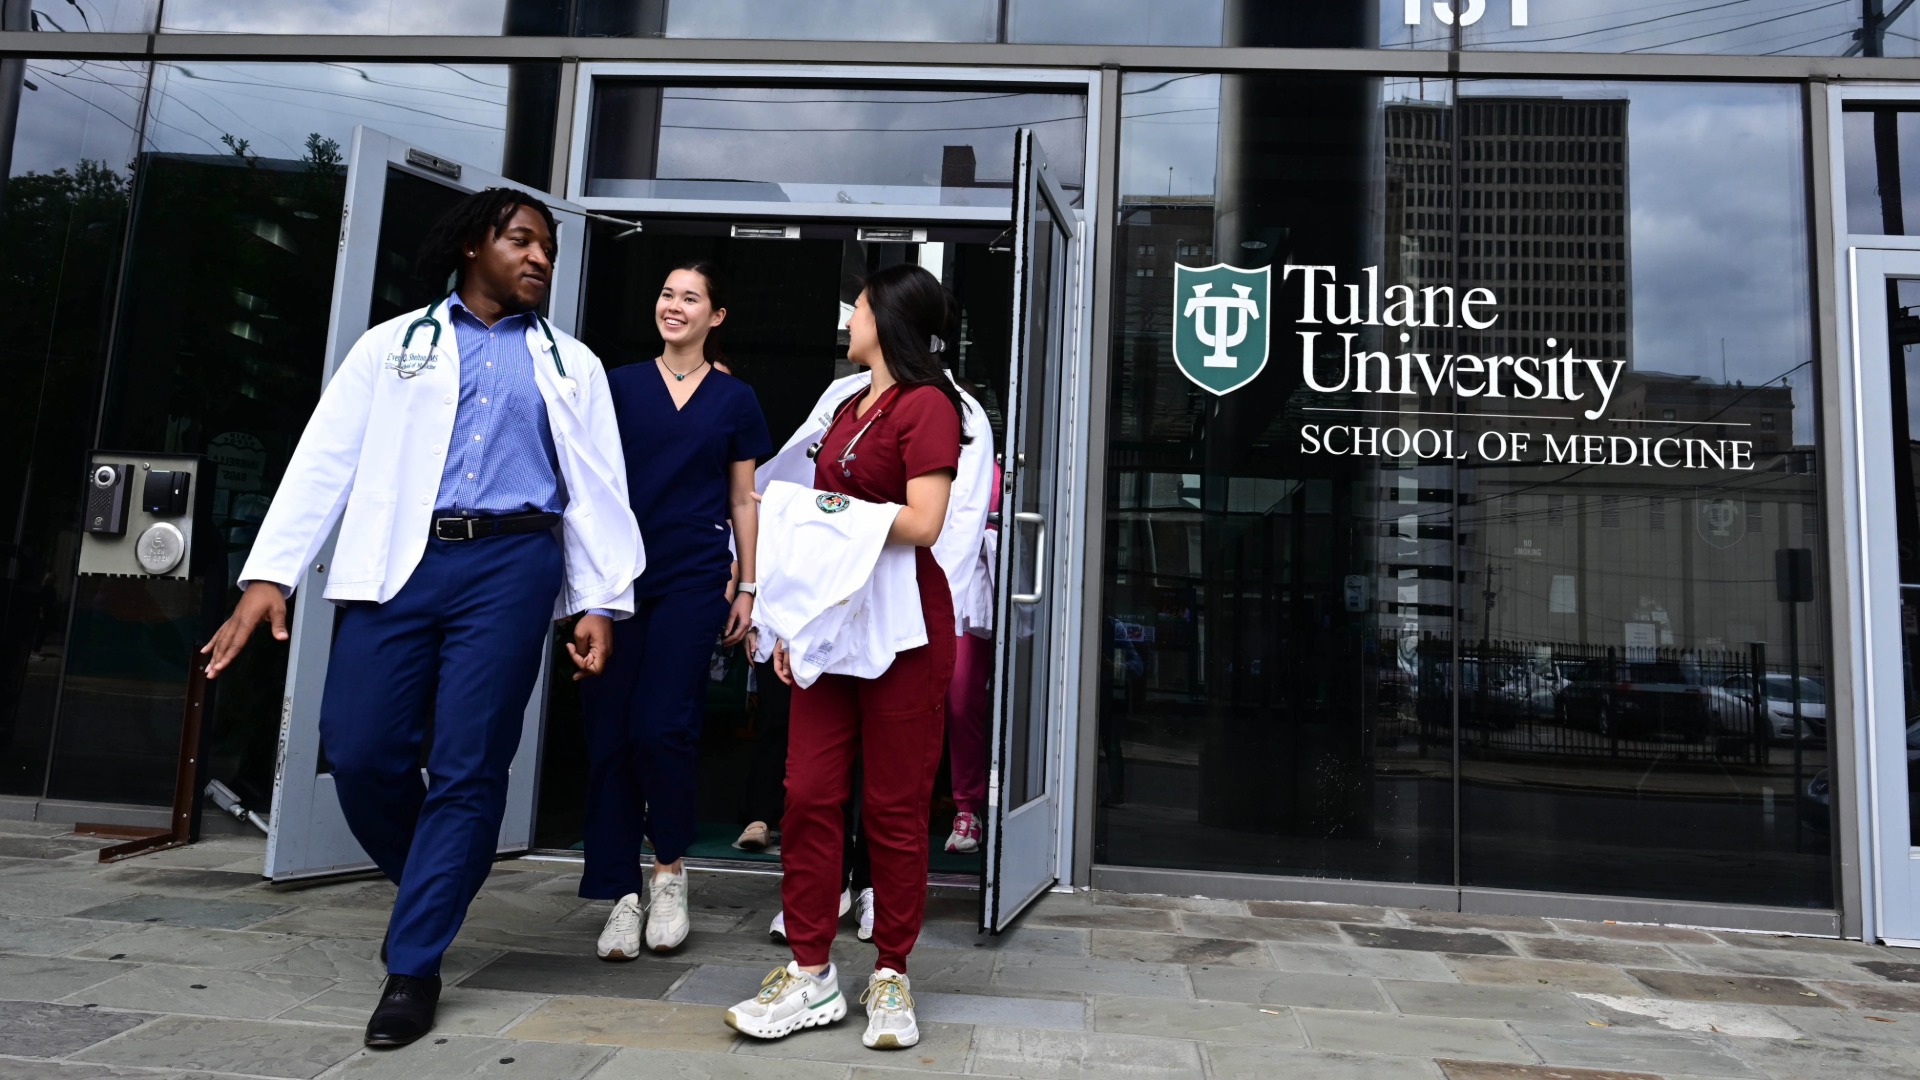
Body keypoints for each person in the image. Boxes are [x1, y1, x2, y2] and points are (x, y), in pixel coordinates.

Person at [201, 188, 643, 1049]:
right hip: (398, 563)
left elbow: (597, 490)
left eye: (547, 247)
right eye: (522, 241)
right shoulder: (391, 347)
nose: (539, 258)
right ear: (472, 245)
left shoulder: (571, 363)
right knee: (362, 747)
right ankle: (440, 874)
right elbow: (325, 458)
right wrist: (269, 576)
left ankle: (413, 967)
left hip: (514, 563)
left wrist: (597, 601)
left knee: (470, 761)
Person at [725, 263, 965, 1052]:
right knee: (808, 797)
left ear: (886, 318)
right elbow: (812, 534)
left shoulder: (929, 405)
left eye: (857, 305)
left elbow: (925, 522)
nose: (848, 315)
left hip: (902, 631)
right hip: (832, 627)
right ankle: (811, 973)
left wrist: (820, 507)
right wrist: (793, 626)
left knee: (894, 812)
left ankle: (891, 971)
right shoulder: (845, 404)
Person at [580, 262, 770, 959]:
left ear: (715, 316)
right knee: (610, 733)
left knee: (663, 727)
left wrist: (748, 585)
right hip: (617, 580)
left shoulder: (736, 399)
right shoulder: (618, 385)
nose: (674, 305)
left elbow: (744, 500)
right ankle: (620, 895)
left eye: (690, 297)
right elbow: (591, 485)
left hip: (694, 580)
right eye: (666, 293)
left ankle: (668, 871)